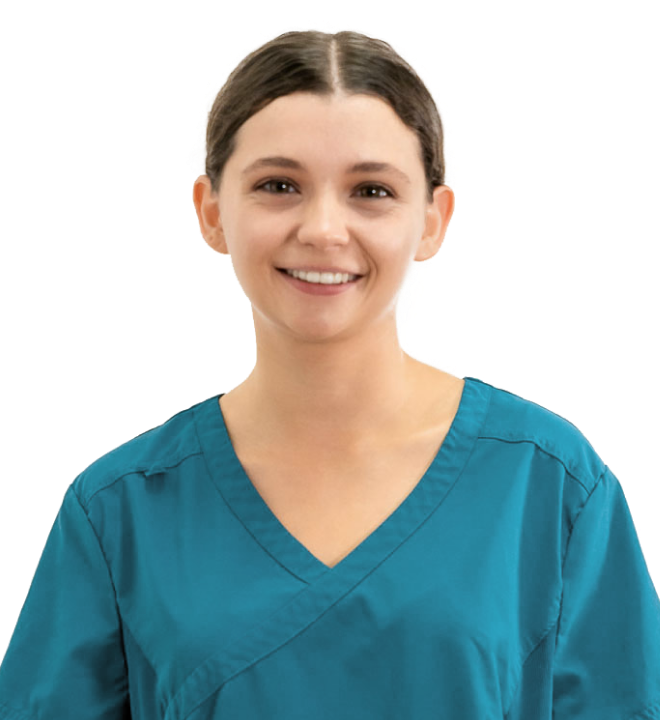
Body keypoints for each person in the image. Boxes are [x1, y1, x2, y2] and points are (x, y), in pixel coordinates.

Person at [1, 26, 658, 720]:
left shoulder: (551, 486)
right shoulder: (118, 511)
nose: (322, 229)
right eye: (278, 185)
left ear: (433, 219)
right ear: (212, 210)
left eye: (371, 190)